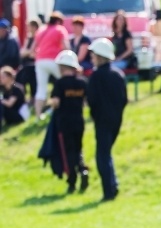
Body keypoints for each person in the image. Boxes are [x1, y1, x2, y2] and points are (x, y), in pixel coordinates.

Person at [86, 38, 127, 202]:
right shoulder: (118, 75)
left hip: (102, 120)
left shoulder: (95, 77)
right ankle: (113, 184)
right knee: (107, 153)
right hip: (116, 119)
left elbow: (92, 100)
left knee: (102, 156)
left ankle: (108, 191)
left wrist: (95, 115)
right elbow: (124, 99)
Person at [49, 50, 88, 194]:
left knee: (68, 152)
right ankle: (83, 169)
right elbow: (85, 102)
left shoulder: (59, 84)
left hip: (64, 123)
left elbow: (56, 102)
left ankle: (72, 181)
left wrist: (49, 102)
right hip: (79, 121)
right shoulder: (82, 83)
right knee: (78, 149)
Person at [33, 11, 69, 119]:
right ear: (58, 21)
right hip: (54, 60)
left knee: (41, 89)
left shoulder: (41, 30)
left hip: (40, 61)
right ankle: (68, 106)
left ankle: (38, 116)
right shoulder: (59, 29)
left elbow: (34, 48)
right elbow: (66, 47)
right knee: (65, 82)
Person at [0, 66, 29, 131]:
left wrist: (1, 100)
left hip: (20, 116)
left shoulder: (16, 88)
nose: (1, 79)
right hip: (11, 114)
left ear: (9, 77)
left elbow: (10, 104)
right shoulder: (4, 90)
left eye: (3, 77)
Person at [18, 20, 39, 103]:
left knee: (32, 79)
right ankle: (22, 95)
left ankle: (32, 97)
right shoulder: (29, 37)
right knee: (20, 79)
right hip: (25, 63)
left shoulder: (37, 37)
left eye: (29, 26)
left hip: (33, 64)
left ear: (34, 27)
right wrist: (28, 52)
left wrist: (27, 52)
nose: (27, 28)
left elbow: (33, 53)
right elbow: (23, 52)